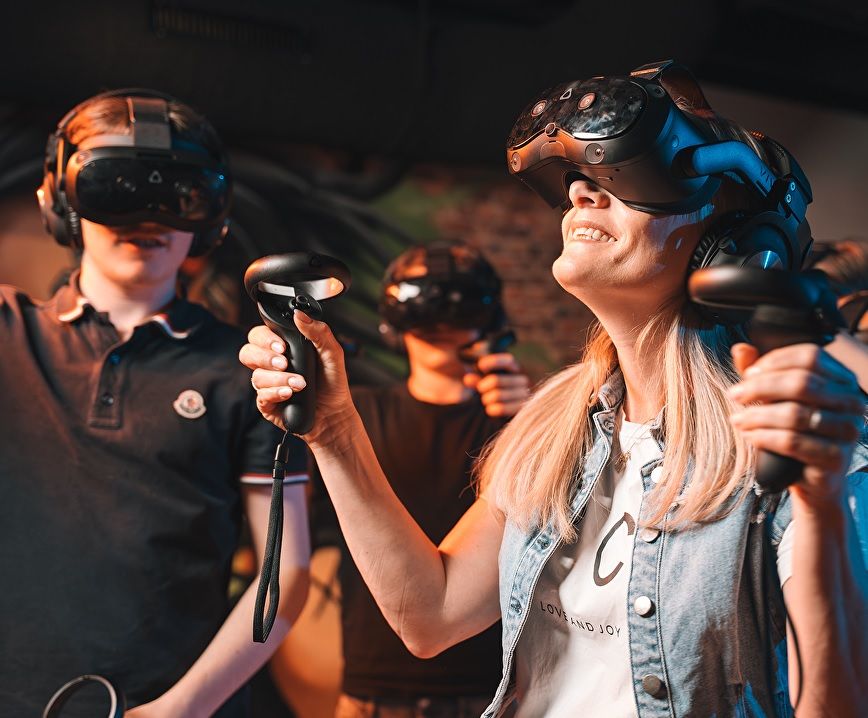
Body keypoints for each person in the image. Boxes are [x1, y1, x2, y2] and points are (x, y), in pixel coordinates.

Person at [241, 62, 868, 717]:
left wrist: (821, 506)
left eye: (634, 180)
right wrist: (335, 431)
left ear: (740, 251)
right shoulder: (553, 425)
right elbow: (430, 614)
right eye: (581, 179)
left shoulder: (796, 450)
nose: (582, 193)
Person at [0, 89, 310, 717]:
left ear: (210, 215)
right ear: (60, 202)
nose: (149, 214)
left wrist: (183, 708)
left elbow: (287, 571)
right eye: (114, 186)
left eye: (177, 193)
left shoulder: (252, 368)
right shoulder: (8, 332)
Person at [306, 241, 530, 718]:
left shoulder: (522, 424)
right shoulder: (349, 417)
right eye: (428, 313)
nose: (443, 326)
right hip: (372, 684)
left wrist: (531, 420)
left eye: (457, 309)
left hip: (494, 689)